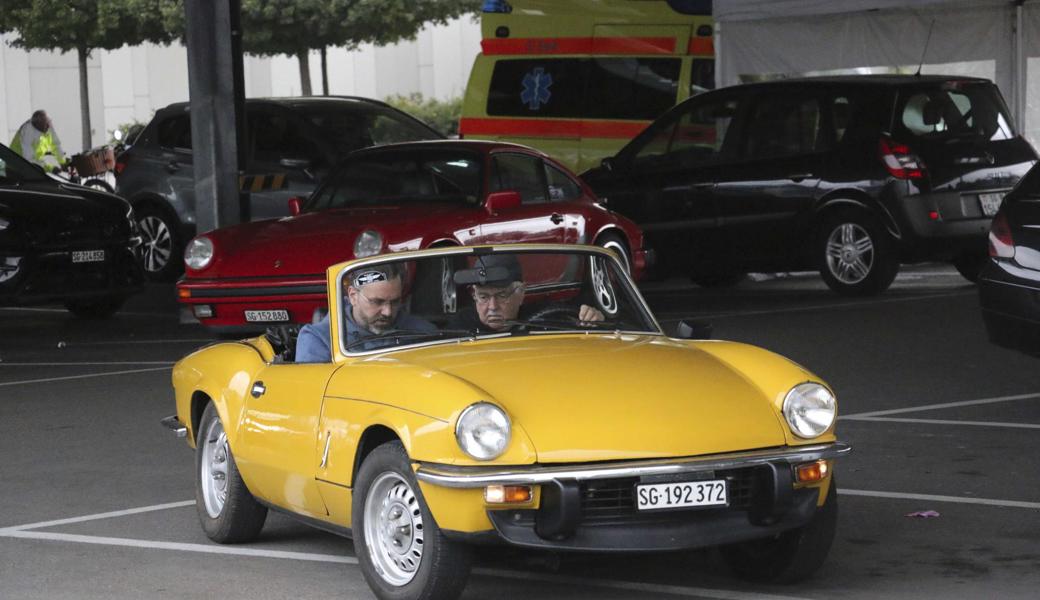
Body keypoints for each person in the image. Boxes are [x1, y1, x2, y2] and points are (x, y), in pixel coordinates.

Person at [295, 262, 435, 362]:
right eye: (377, 302)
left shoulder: (422, 331)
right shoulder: (320, 340)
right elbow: (311, 395)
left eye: (395, 301)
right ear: (353, 296)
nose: (387, 312)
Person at [450, 254, 604, 333]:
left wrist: (594, 319)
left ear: (521, 293)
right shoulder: (457, 328)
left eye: (502, 295)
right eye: (483, 297)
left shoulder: (547, 316)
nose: (492, 307)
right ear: (474, 297)